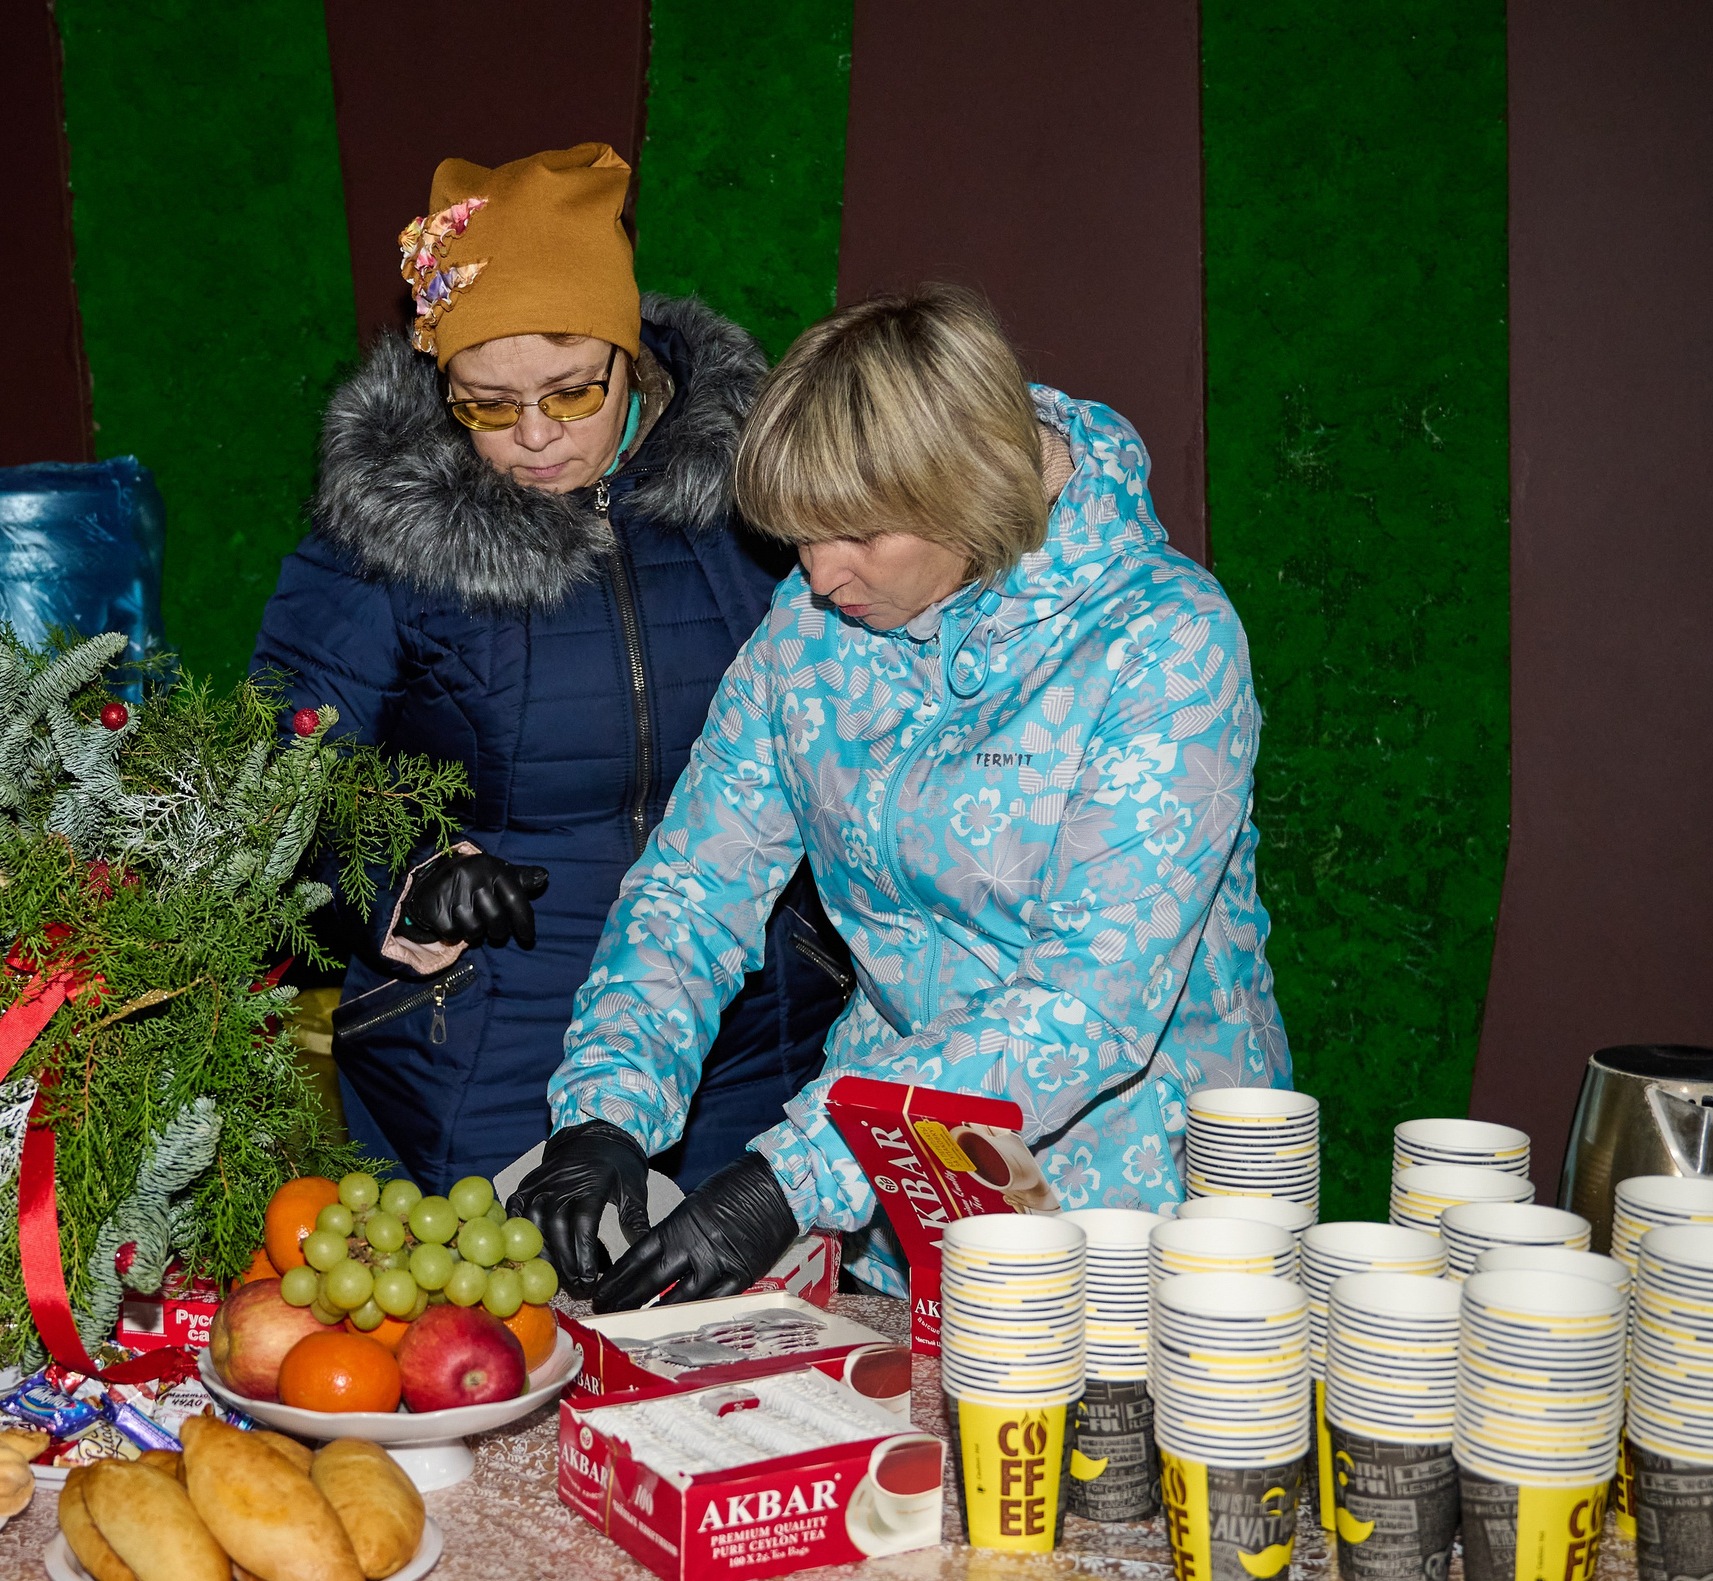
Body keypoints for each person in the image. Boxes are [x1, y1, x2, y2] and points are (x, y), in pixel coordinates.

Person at [516, 285, 1291, 1308]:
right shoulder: (810, 631)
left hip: (1138, 1211)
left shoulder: (1165, 642)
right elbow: (696, 883)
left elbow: (1089, 1001)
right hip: (899, 1193)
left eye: (857, 534)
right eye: (797, 535)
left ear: (965, 489)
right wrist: (603, 1110)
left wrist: (791, 1177)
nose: (818, 573)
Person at [250, 144, 849, 1204]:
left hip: (750, 1038)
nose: (535, 437)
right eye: (488, 404)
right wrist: (408, 873)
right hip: (483, 1044)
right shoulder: (381, 528)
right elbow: (281, 774)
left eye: (574, 391)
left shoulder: (756, 490)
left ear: (633, 355)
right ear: (441, 387)